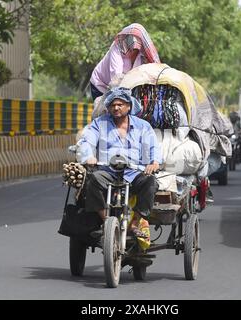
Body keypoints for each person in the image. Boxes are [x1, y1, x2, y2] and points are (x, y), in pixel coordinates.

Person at [77, 87, 162, 237]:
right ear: (108, 107)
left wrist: (154, 162)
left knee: (151, 182)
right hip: (107, 171)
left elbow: (154, 146)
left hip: (134, 172)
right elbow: (87, 141)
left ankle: (135, 224)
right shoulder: (99, 124)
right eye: (112, 105)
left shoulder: (143, 126)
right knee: (92, 180)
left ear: (129, 106)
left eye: (120, 104)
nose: (116, 108)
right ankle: (106, 221)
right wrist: (88, 156)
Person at [89, 23, 161, 101]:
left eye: (135, 49)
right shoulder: (117, 47)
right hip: (101, 84)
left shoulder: (143, 55)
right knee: (107, 110)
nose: (132, 51)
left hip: (126, 87)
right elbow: (116, 75)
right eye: (130, 47)